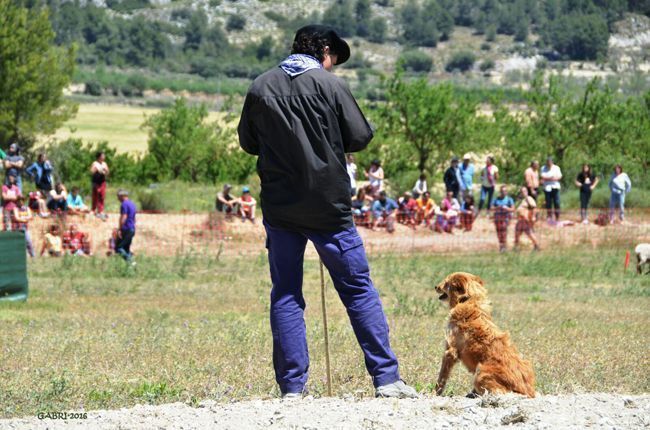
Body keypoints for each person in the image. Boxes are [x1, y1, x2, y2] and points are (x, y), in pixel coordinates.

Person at [237, 24, 417, 399]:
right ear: (323, 50)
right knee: (358, 289)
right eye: (333, 57)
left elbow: (248, 143)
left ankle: (292, 389)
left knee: (286, 293)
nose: (333, 64)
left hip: (281, 207)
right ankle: (386, 379)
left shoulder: (260, 86)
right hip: (328, 207)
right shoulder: (330, 85)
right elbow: (360, 136)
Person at [514, 187, 540, 251]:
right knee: (517, 233)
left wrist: (533, 217)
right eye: (522, 191)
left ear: (527, 192)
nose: (523, 193)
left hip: (525, 219)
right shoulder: (522, 200)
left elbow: (534, 207)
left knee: (529, 233)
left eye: (524, 191)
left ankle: (536, 246)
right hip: (520, 220)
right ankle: (516, 247)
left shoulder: (529, 199)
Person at [492, 185, 515, 252]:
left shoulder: (509, 199)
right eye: (502, 191)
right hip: (497, 218)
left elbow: (513, 209)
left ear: (506, 192)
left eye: (505, 191)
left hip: (505, 218)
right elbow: (491, 208)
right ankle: (501, 246)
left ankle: (504, 246)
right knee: (499, 232)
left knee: (504, 232)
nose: (503, 192)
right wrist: (498, 207)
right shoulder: (496, 199)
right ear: (500, 192)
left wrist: (507, 208)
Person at [116, 189, 136, 262]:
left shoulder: (124, 204)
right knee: (126, 248)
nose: (118, 199)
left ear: (122, 196)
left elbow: (124, 217)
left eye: (118, 196)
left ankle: (131, 262)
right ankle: (130, 266)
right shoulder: (132, 204)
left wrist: (120, 229)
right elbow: (134, 218)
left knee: (119, 248)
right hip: (132, 229)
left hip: (126, 229)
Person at [540, 156, 562, 222]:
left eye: (550, 162)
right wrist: (551, 178)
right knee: (548, 203)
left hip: (555, 187)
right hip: (547, 187)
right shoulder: (543, 168)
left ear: (552, 162)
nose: (549, 163)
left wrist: (548, 178)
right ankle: (549, 216)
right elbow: (543, 177)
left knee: (556, 202)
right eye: (548, 162)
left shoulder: (556, 168)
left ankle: (557, 216)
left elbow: (559, 177)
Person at [90, 151, 109, 220]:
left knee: (102, 196)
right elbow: (91, 171)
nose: (104, 157)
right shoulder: (95, 163)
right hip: (96, 181)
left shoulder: (104, 164)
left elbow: (108, 172)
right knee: (95, 195)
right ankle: (93, 209)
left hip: (102, 181)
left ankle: (100, 210)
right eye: (102, 156)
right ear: (99, 157)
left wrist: (105, 170)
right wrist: (96, 169)